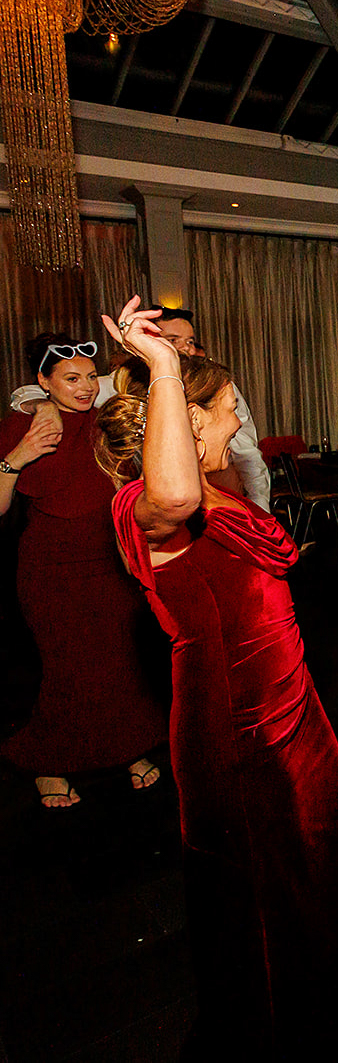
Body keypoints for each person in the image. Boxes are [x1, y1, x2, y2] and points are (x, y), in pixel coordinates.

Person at [97, 297, 338, 1057]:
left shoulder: (223, 489)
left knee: (329, 844)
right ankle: (276, 1028)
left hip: (291, 702)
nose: (239, 417)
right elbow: (174, 495)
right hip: (234, 720)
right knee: (259, 875)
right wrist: (166, 366)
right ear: (189, 418)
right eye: (227, 407)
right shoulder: (143, 505)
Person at [0, 335, 166, 807]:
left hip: (109, 562)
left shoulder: (105, 421)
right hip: (49, 570)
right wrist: (19, 456)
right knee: (65, 668)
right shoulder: (21, 425)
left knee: (119, 663)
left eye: (91, 377)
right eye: (71, 378)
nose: (86, 387)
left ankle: (128, 747)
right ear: (43, 381)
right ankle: (48, 762)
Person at [9, 307, 272, 510]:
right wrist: (44, 407)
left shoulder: (219, 387)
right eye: (173, 339)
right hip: (156, 503)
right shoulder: (129, 381)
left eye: (190, 341)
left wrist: (260, 510)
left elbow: (248, 454)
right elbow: (38, 390)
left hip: (216, 498)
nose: (185, 348)